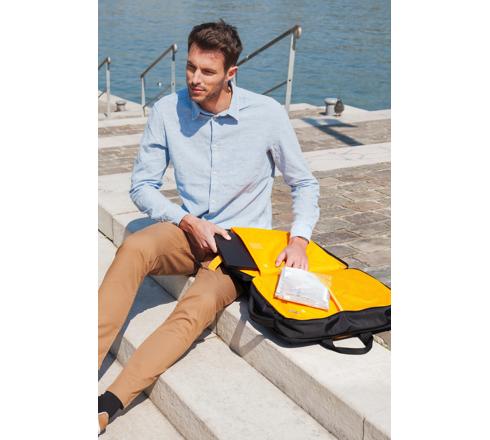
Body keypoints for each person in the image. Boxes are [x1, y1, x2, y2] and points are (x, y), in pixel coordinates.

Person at [98, 19, 320, 434]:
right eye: (190, 67)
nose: (195, 79)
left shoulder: (267, 115)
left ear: (230, 73)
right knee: (134, 247)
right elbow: (142, 186)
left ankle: (109, 402)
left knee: (194, 308)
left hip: (240, 246)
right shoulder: (167, 111)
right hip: (189, 229)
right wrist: (187, 220)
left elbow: (304, 183)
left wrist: (299, 240)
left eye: (207, 71)